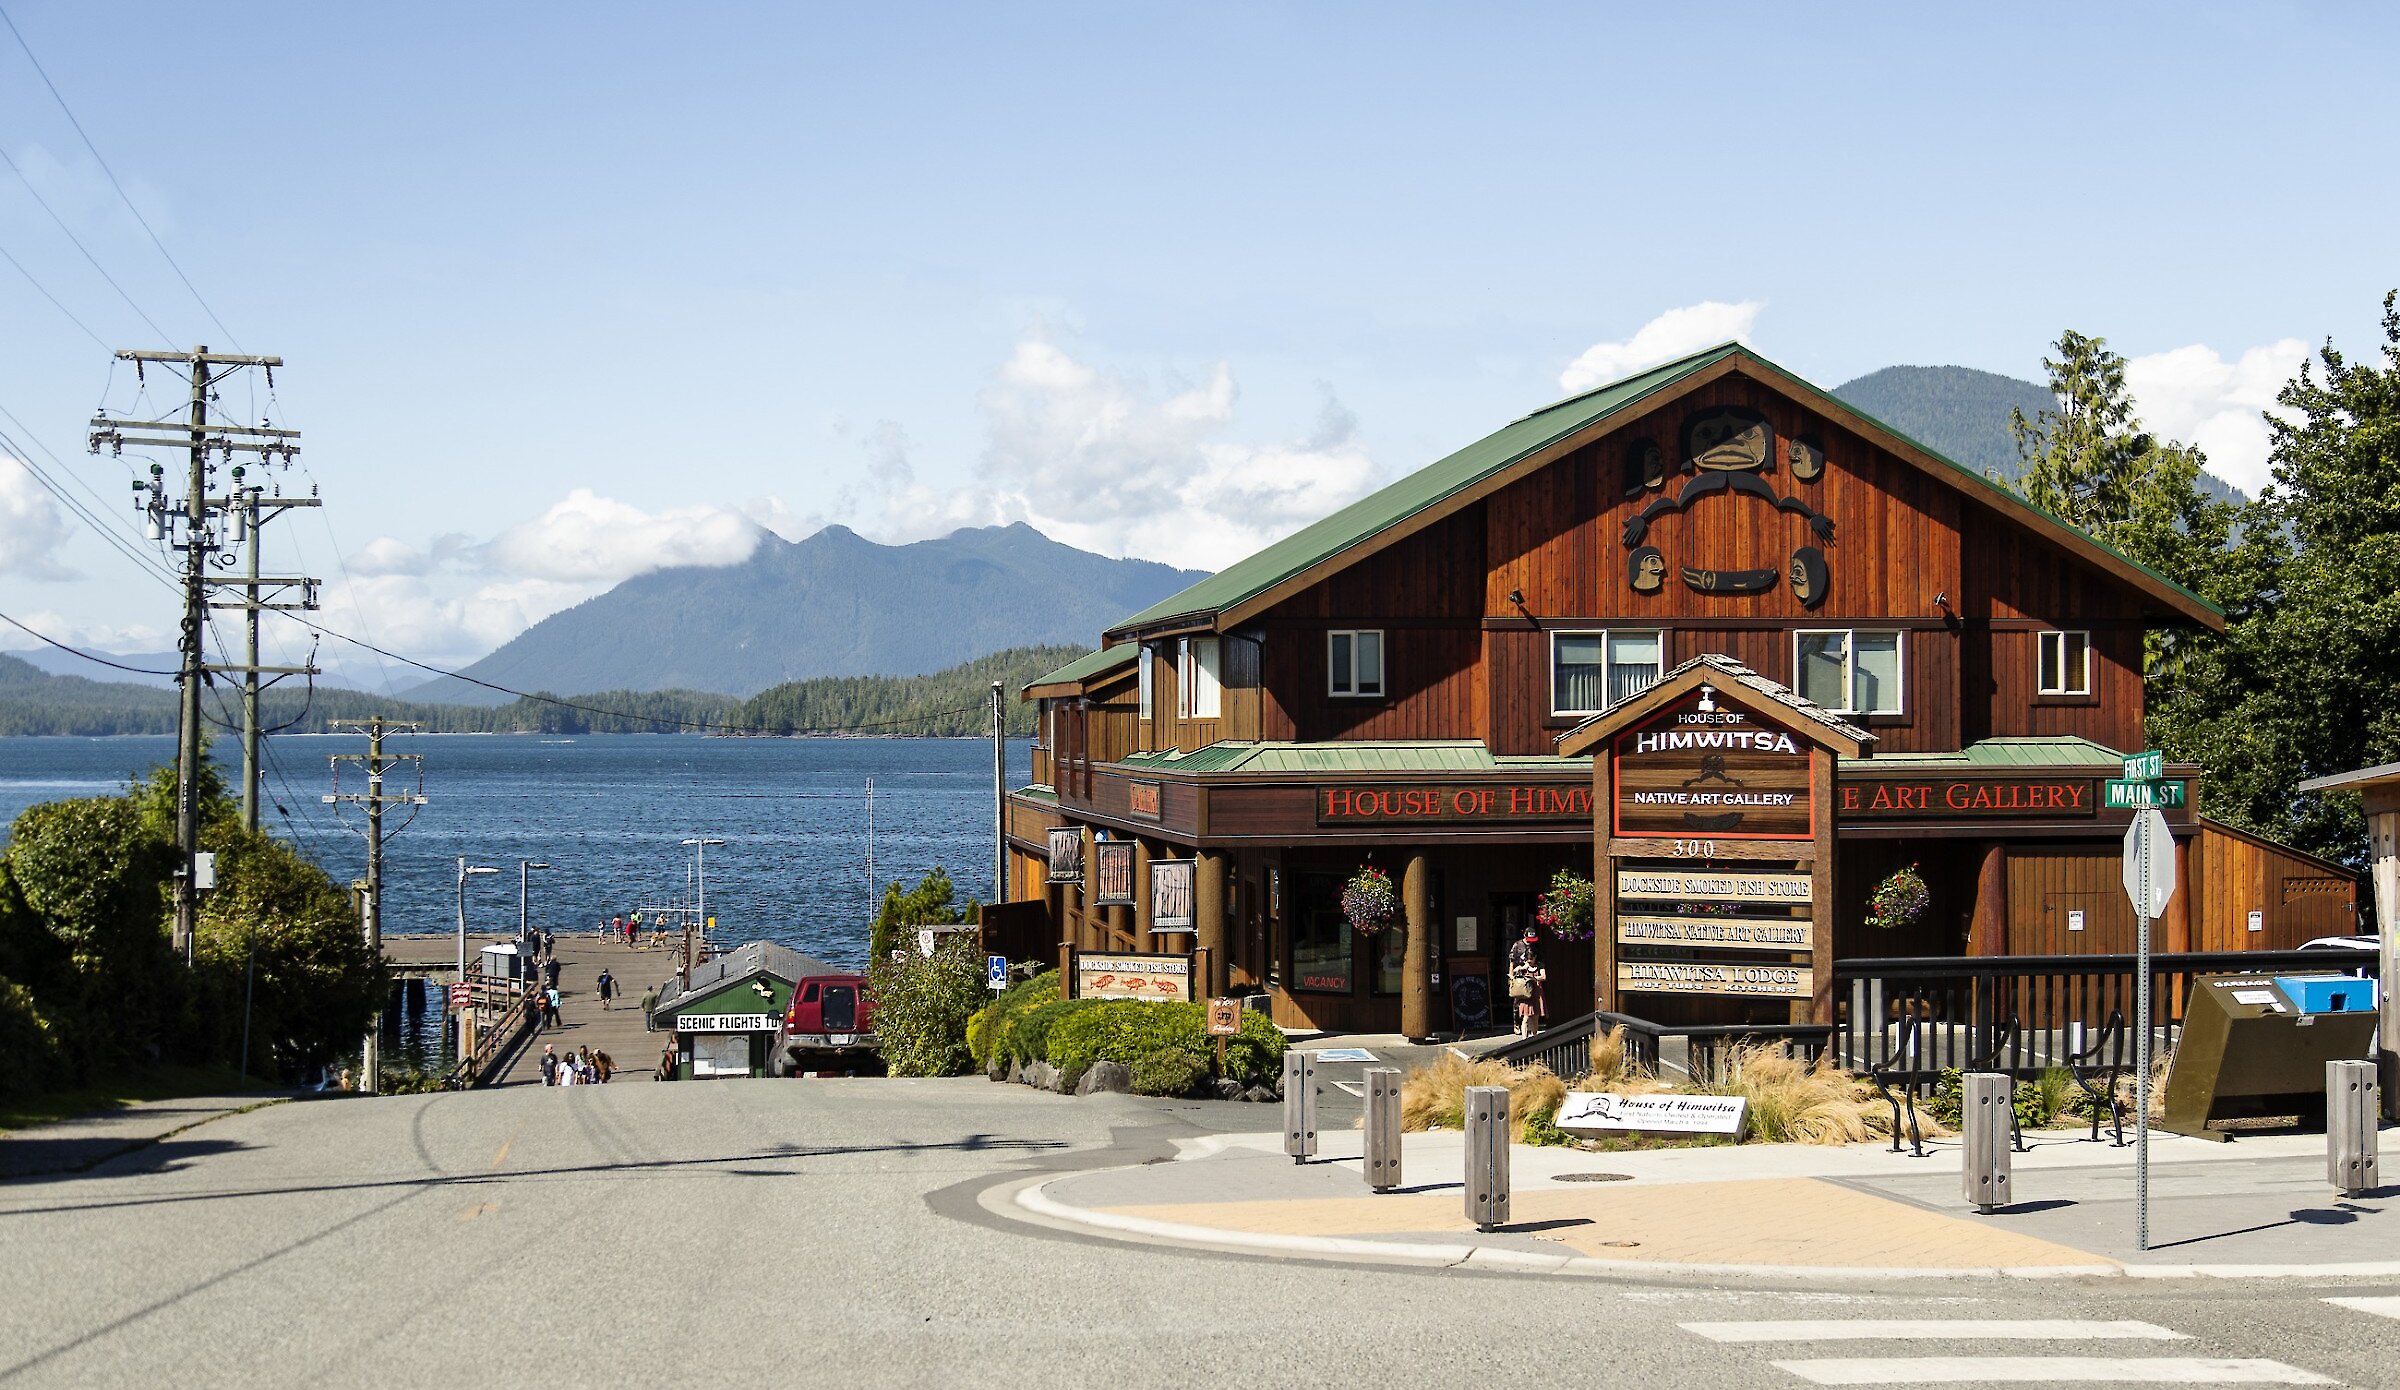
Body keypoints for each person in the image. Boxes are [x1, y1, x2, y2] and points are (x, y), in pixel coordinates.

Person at [1507, 929, 1547, 1037]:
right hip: (1520, 976)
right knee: (1518, 1000)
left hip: (1532, 976)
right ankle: (1517, 1023)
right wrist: (1511, 977)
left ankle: (1531, 1029)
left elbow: (1541, 961)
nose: (1530, 941)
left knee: (1533, 1008)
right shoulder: (1517, 945)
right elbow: (1512, 962)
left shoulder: (1536, 946)